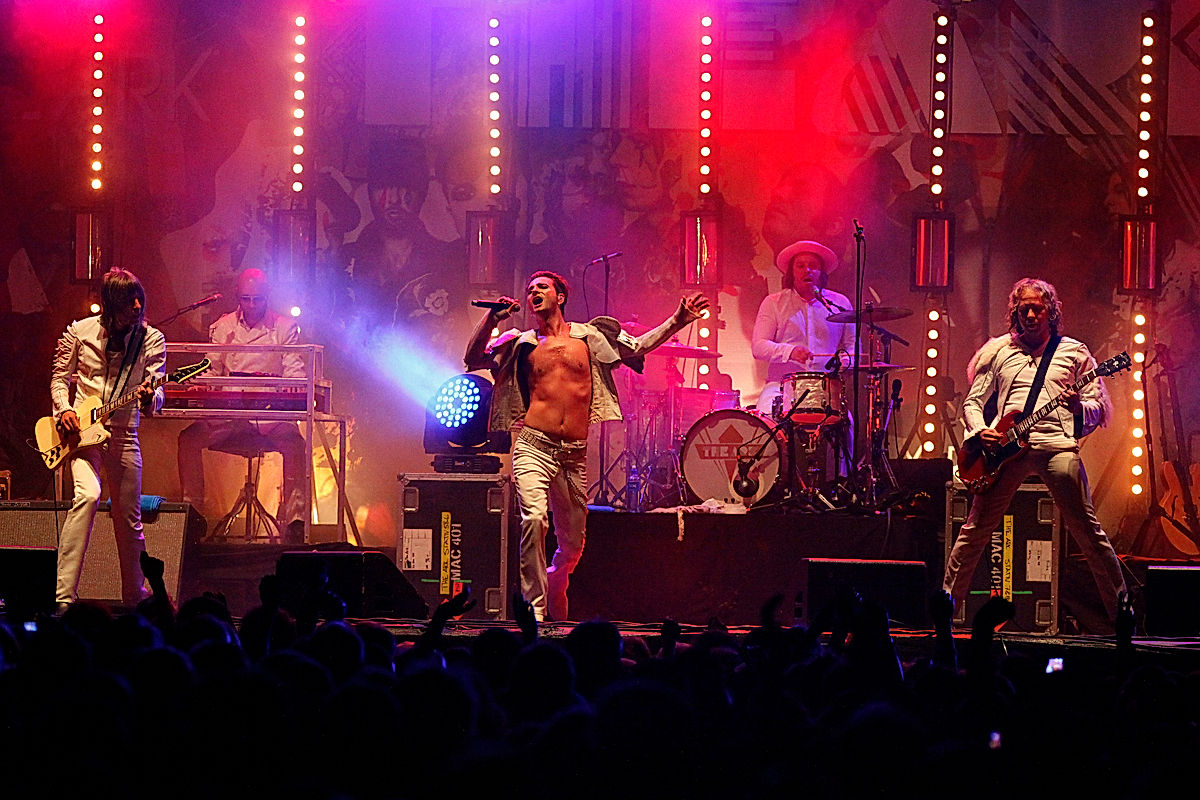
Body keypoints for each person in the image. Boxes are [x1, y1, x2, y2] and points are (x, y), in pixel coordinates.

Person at [465, 270, 708, 622]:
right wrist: (491, 319)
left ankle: (558, 576)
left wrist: (679, 319)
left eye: (542, 287)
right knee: (534, 520)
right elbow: (473, 359)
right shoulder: (521, 342)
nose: (534, 292)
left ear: (560, 297)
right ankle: (535, 611)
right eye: (530, 289)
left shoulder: (590, 336)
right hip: (533, 446)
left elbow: (637, 347)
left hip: (573, 455)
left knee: (574, 544)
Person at [944, 277, 1128, 624]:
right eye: (1024, 309)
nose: (1030, 315)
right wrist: (981, 431)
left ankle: (1122, 617)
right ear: (1015, 312)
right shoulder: (997, 352)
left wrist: (1077, 407)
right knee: (974, 530)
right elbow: (972, 402)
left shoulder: (1074, 352)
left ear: (1051, 312)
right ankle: (946, 610)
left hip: (1056, 446)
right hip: (1005, 451)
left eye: (1037, 309)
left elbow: (1099, 408)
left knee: (1088, 532)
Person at [50, 268, 164, 614]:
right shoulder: (79, 331)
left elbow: (157, 392)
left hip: (124, 434)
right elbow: (59, 378)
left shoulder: (151, 339)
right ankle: (64, 598)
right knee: (87, 495)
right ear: (111, 303)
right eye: (129, 300)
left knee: (128, 520)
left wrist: (150, 398)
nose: (137, 305)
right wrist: (64, 409)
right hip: (83, 438)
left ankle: (136, 599)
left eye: (139, 298)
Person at [177, 268, 307, 543]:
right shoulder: (223, 327)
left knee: (295, 444)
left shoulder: (284, 327)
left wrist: (293, 387)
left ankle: (295, 522)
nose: (251, 305)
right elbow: (212, 369)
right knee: (189, 439)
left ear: (267, 296)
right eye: (245, 299)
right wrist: (202, 385)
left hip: (270, 416)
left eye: (257, 299)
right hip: (230, 414)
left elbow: (294, 370)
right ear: (238, 296)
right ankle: (193, 516)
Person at [751, 239, 856, 417]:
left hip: (826, 387)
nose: (807, 270)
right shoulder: (774, 302)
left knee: (847, 426)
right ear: (792, 272)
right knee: (765, 419)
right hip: (781, 385)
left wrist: (844, 362)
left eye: (813, 266)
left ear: (821, 272)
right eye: (800, 266)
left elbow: (853, 346)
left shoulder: (839, 303)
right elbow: (758, 347)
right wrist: (790, 351)